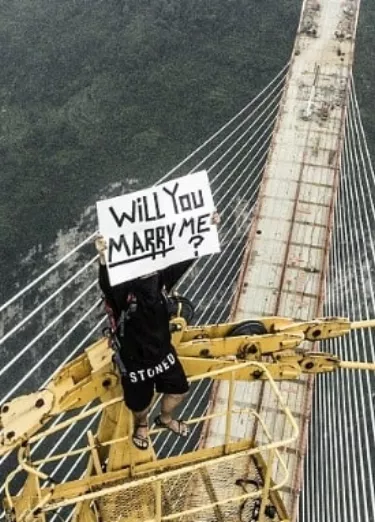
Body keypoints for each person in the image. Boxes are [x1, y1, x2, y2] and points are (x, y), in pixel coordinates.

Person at [95, 210, 220, 450]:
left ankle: (165, 419)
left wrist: (206, 227)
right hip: (135, 360)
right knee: (138, 405)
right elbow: (107, 285)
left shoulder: (158, 278)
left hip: (163, 352)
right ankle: (142, 425)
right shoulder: (124, 289)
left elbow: (185, 257)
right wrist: (103, 259)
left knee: (180, 390)